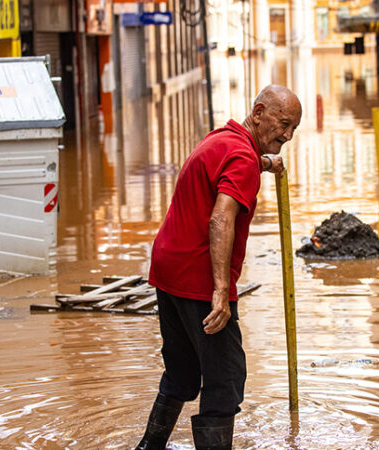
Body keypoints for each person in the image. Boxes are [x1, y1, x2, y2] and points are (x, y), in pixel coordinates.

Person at [136, 85, 302, 450]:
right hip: (197, 277)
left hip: (167, 268)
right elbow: (220, 219)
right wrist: (221, 292)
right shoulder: (242, 159)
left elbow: (232, 164)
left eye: (294, 129)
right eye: (284, 124)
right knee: (225, 379)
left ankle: (150, 446)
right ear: (259, 113)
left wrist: (266, 161)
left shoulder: (223, 139)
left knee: (181, 371)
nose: (288, 136)